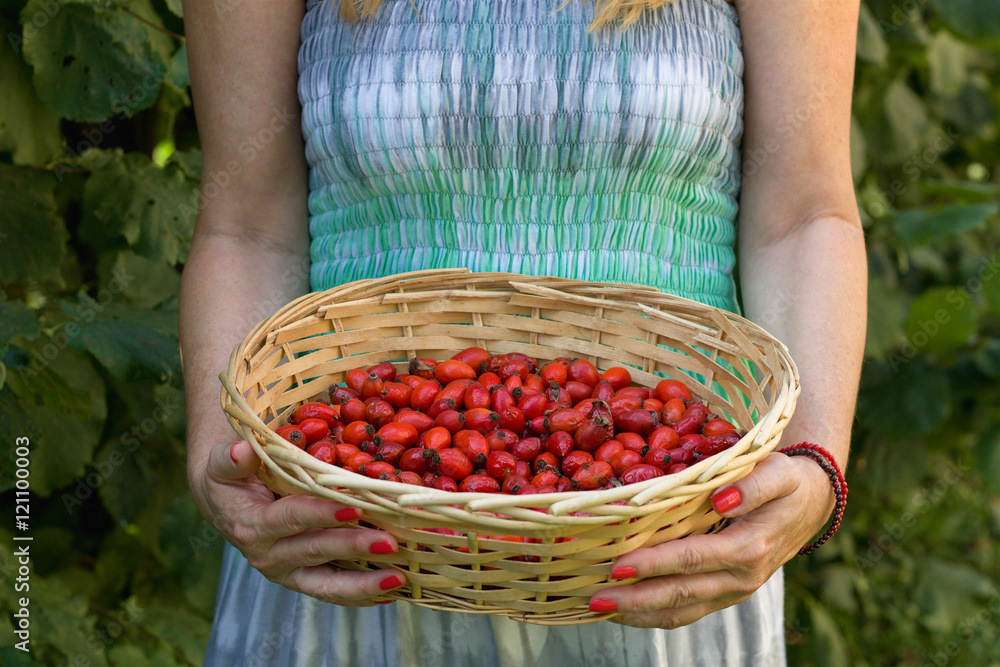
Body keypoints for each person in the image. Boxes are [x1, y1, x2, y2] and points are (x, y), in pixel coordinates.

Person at [178, 0, 866, 664]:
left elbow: (804, 212)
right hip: (345, 532)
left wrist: (811, 470)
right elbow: (246, 226)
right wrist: (224, 466)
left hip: (666, 545)